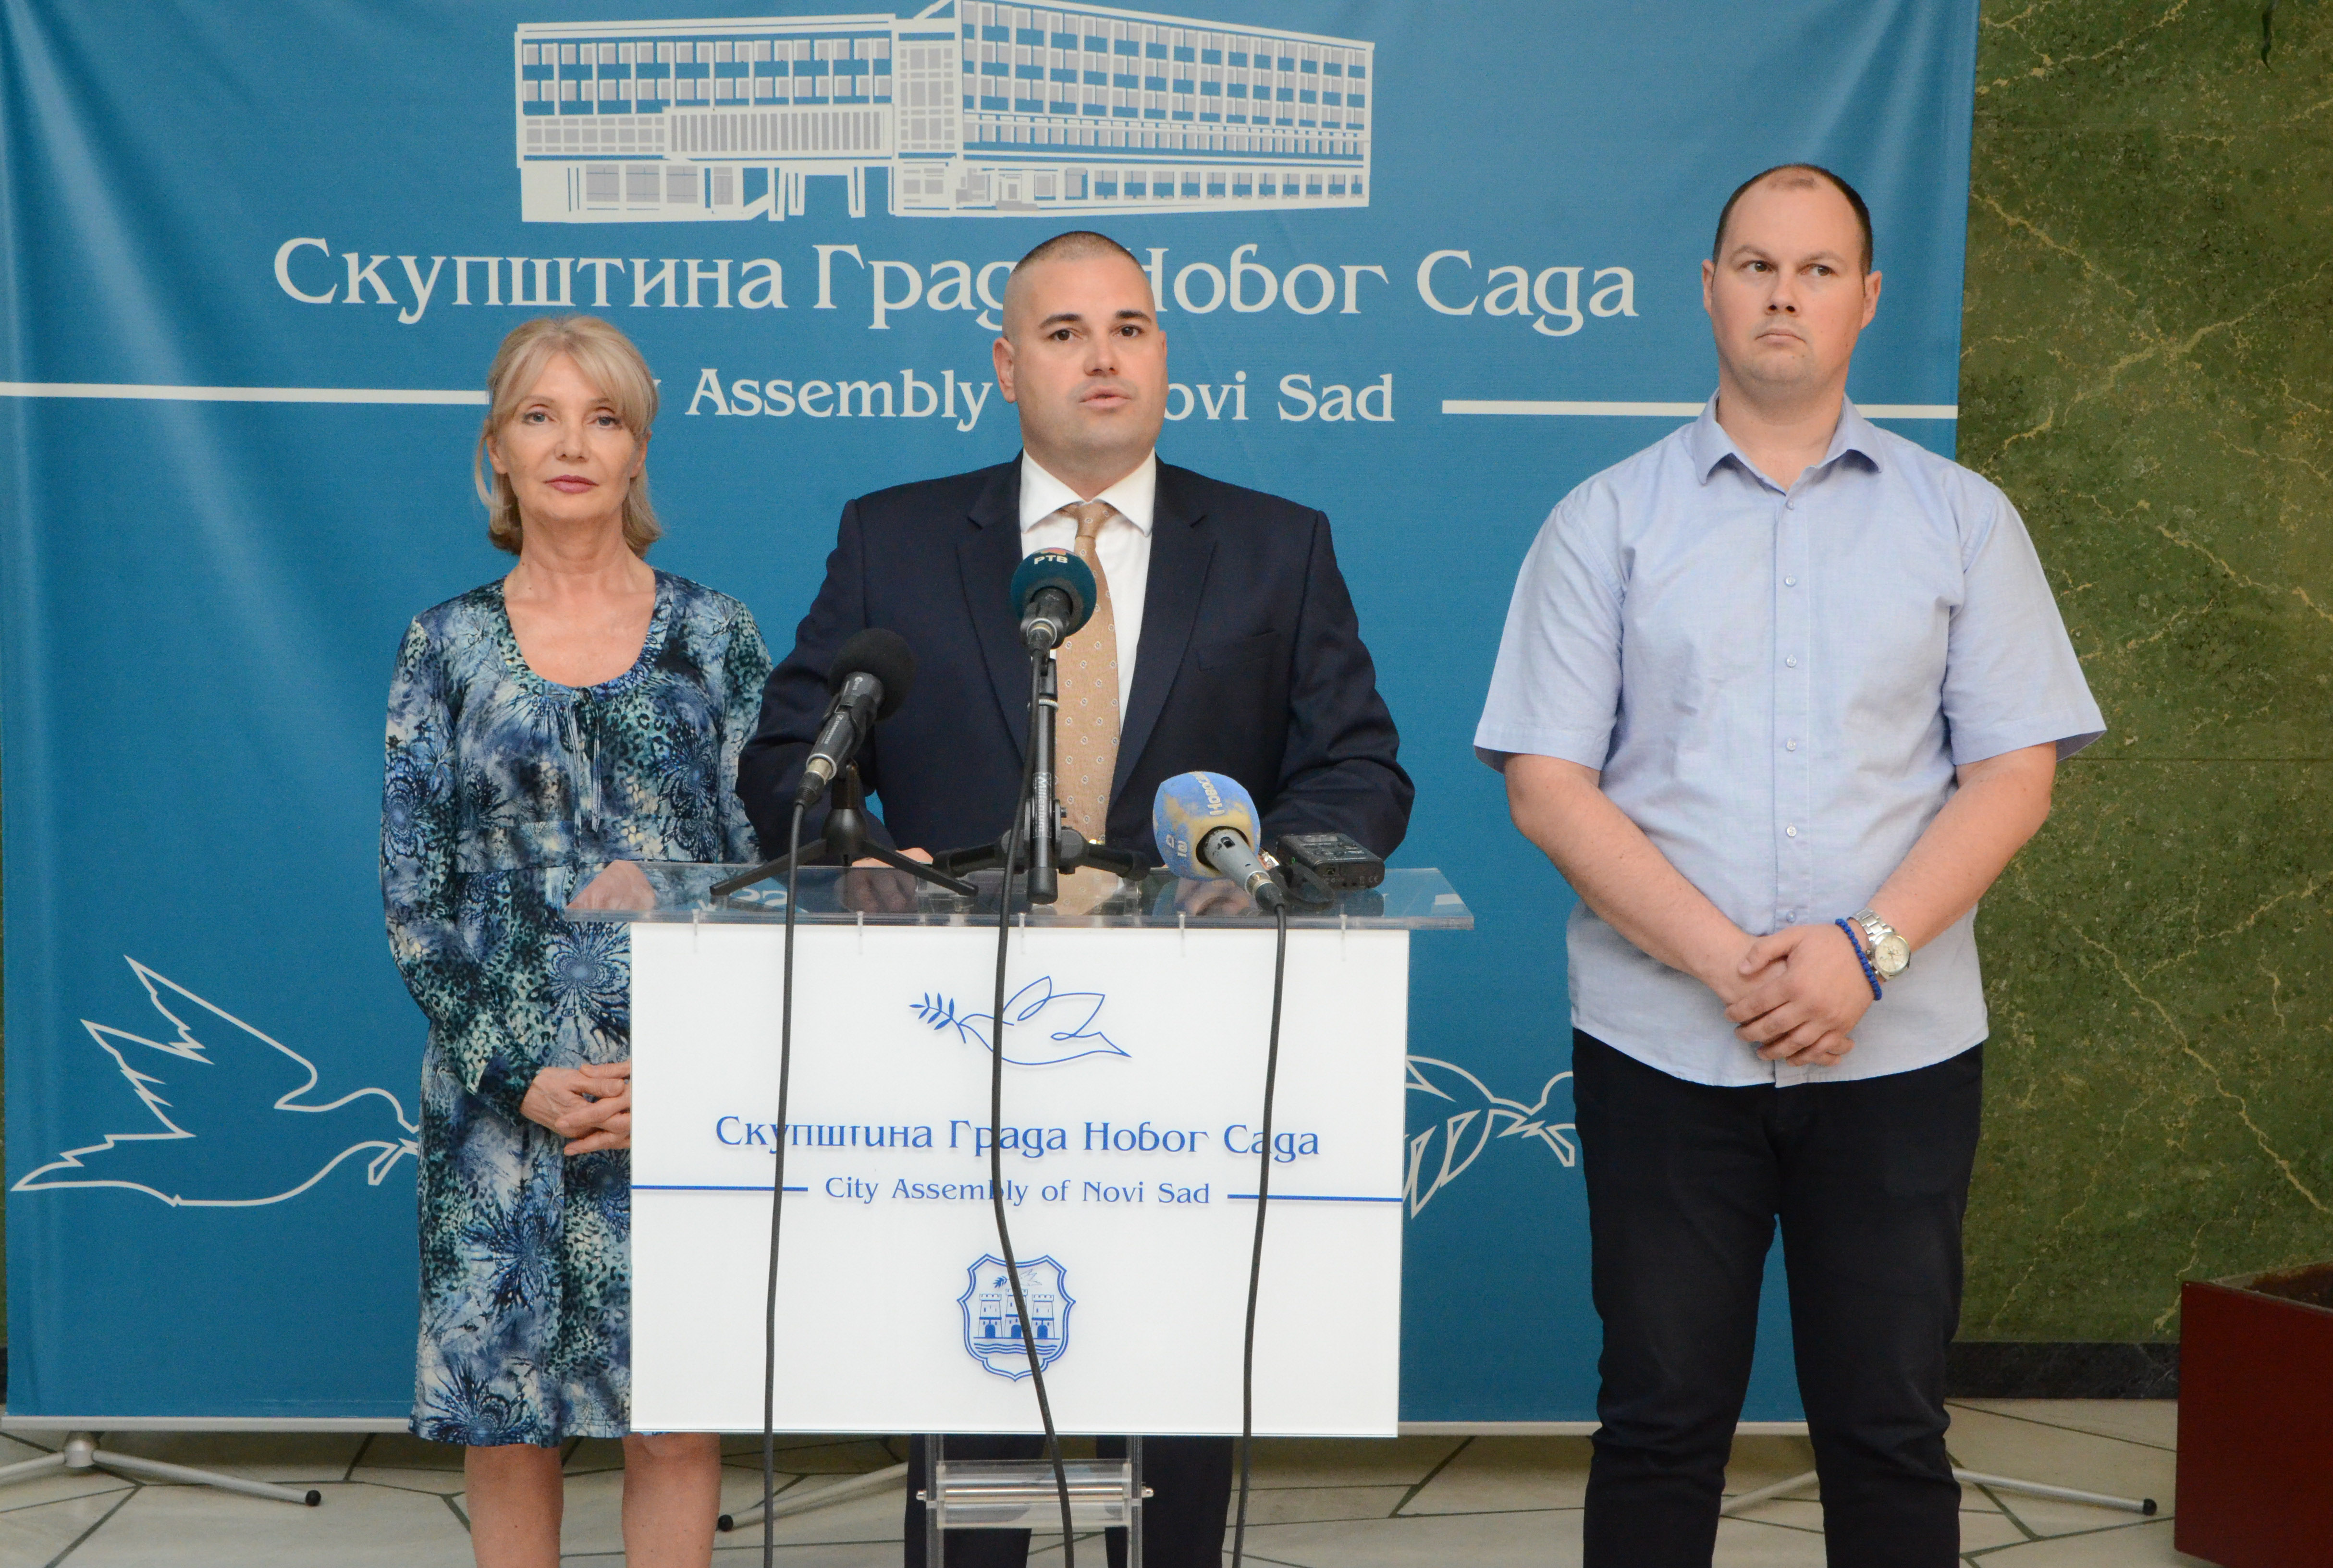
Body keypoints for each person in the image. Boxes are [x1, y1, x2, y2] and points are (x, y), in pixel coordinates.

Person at [739, 230, 1413, 1568]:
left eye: (1130, 328)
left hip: (1196, 1055)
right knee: (975, 1386)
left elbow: (1359, 772)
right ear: (1007, 365)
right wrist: (861, 854)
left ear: (1164, 353)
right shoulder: (897, 538)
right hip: (953, 1047)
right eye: (1064, 333)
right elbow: (790, 767)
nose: (1103, 356)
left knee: (1173, 1408)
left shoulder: (1275, 546)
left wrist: (1263, 874)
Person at [1473, 165, 2104, 1568]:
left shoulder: (1964, 519)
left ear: (1866, 301)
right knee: (1658, 1423)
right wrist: (1735, 970)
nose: (1784, 294)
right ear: (1709, 290)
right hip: (1663, 1047)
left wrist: (1863, 957)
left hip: (1899, 1048)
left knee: (1890, 1428)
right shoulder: (1605, 520)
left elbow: (2015, 774)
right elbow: (1547, 784)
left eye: (1818, 271)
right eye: (1756, 266)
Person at [382, 315, 772, 1568]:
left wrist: (690, 1079)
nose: (571, 444)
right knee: (508, 1427)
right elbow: (416, 905)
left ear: (637, 451)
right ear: (497, 448)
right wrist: (520, 1074)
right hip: (499, 1104)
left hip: (678, 1088)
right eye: (540, 416)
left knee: (676, 1417)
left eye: (603, 418)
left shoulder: (716, 636)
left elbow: (770, 874)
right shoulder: (444, 646)